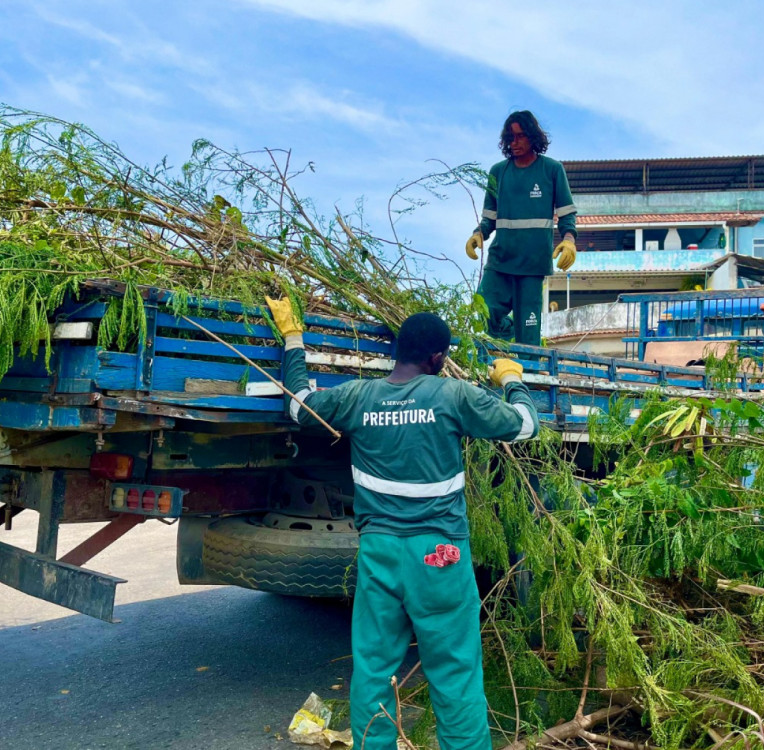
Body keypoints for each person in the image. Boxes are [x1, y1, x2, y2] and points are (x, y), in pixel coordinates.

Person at [266, 298, 540, 750]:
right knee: (455, 672)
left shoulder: (358, 397)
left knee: (373, 669)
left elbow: (298, 407)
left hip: (381, 554)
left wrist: (293, 339)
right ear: (437, 359)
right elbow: (525, 426)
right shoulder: (454, 396)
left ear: (398, 352)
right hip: (440, 557)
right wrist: (510, 379)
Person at [466, 110, 578, 346]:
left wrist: (569, 240)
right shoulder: (498, 172)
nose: (514, 143)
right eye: (510, 137)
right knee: (483, 314)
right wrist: (478, 234)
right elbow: (490, 218)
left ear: (533, 137)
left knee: (528, 339)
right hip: (501, 262)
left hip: (532, 267)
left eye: (520, 136)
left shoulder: (552, 170)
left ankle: (529, 378)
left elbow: (567, 215)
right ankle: (509, 336)